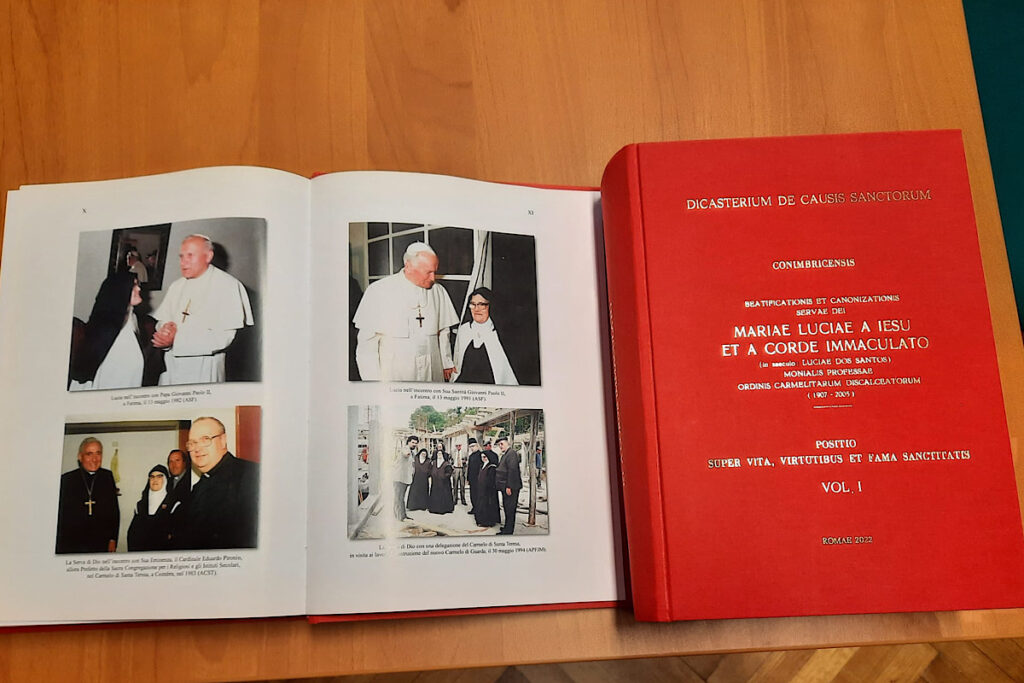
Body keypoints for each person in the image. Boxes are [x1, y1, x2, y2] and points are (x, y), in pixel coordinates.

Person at [152, 234, 254, 385]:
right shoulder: (177, 285)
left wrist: (176, 340)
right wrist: (164, 330)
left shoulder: (228, 286)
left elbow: (224, 338)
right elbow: (163, 319)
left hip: (205, 368)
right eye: (181, 256)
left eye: (190, 255)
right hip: (172, 367)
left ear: (208, 256)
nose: (183, 262)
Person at [352, 242, 459, 382]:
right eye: (428, 272)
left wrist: (446, 362)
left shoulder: (438, 291)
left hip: (433, 368)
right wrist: (373, 382)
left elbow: (444, 330)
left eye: (435, 271)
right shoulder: (379, 290)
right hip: (396, 372)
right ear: (408, 266)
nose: (433, 278)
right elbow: (367, 345)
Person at [171, 416, 259, 549]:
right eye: (192, 443)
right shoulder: (198, 486)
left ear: (223, 441)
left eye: (205, 439)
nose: (197, 449)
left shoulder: (251, 474)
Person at [69, 273, 148, 391]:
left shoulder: (131, 321)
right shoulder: (107, 330)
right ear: (120, 291)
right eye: (134, 286)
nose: (139, 289)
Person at [55, 438, 120, 554]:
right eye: (89, 454)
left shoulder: (107, 477)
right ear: (80, 457)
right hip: (73, 542)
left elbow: (114, 511)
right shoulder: (67, 480)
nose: (95, 459)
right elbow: (60, 516)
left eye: (98, 453)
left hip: (101, 541)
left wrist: (112, 539)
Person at [452, 287, 518, 385]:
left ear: (491, 306)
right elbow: (457, 362)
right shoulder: (464, 330)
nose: (476, 309)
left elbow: (506, 373)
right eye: (473, 304)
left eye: (481, 304)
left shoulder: (499, 333)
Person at [127, 465, 172, 551]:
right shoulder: (140, 506)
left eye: (159, 476)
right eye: (152, 477)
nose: (155, 480)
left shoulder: (173, 505)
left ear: (165, 480)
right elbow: (132, 534)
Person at [494, 435, 522, 535]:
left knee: (510, 509)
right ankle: (507, 527)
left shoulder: (512, 454)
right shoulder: (506, 454)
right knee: (506, 508)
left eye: (502, 444)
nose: (500, 446)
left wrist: (509, 486)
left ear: (507, 443)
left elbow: (512, 471)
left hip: (510, 487)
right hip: (505, 486)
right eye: (499, 445)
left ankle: (508, 531)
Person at [392, 436, 417, 521]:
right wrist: (408, 453)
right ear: (408, 442)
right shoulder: (405, 449)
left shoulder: (411, 452)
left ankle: (402, 515)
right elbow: (405, 454)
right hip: (399, 478)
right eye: (413, 442)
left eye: (416, 443)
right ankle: (399, 516)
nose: (414, 444)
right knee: (398, 498)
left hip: (405, 479)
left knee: (401, 498)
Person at [473, 448, 500, 528]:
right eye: (482, 457)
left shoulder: (492, 467)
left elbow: (491, 481)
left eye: (485, 457)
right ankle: (481, 520)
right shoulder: (482, 465)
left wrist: (486, 487)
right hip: (481, 489)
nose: (483, 459)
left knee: (487, 506)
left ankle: (488, 522)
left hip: (488, 491)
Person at [428, 449, 455, 514]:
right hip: (435, 482)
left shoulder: (446, 463)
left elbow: (449, 472)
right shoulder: (434, 462)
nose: (439, 455)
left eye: (440, 454)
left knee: (443, 495)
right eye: (438, 454)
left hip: (444, 483)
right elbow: (430, 470)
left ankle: (444, 509)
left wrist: (443, 477)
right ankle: (434, 509)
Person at [465, 438, 483, 514]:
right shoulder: (471, 456)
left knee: (478, 494)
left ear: (477, 446)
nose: (472, 448)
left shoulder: (481, 455)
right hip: (472, 479)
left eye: (473, 446)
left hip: (478, 478)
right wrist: (468, 478)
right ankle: (474, 507)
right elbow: (469, 468)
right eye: (470, 447)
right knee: (472, 494)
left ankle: (478, 509)